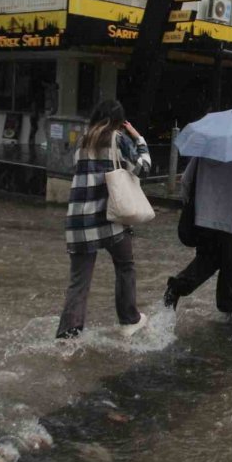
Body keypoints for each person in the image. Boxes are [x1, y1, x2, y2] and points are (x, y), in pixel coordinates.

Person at [56, 100, 152, 339]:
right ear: (120, 121)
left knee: (79, 281)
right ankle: (129, 320)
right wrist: (139, 139)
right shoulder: (118, 139)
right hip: (110, 219)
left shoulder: (82, 140)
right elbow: (144, 168)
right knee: (125, 266)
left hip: (79, 221)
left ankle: (68, 336)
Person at [162, 155, 232, 323]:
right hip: (231, 222)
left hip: (204, 220)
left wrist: (190, 203)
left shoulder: (202, 153)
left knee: (205, 261)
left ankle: (177, 286)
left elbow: (185, 180)